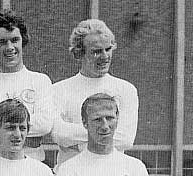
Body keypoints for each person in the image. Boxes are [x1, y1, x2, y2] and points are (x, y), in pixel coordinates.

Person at [52, 19, 138, 166]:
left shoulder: (126, 89)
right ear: (80, 53)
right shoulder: (59, 90)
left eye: (108, 49)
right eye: (96, 51)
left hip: (111, 175)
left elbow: (126, 139)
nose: (105, 57)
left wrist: (76, 142)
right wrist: (105, 136)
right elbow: (59, 134)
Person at [0, 9, 54, 161]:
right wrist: (27, 140)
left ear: (23, 40)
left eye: (14, 40)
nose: (9, 47)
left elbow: (45, 124)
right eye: (2, 42)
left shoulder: (40, 81)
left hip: (31, 166)